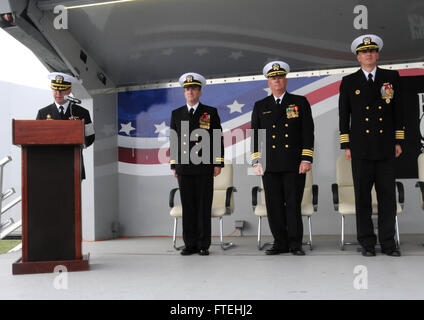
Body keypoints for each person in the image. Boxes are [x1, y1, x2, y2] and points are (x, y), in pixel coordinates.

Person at [338, 34, 404, 257]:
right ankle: (367, 243)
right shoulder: (349, 82)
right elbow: (343, 115)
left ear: (377, 55)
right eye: (364, 52)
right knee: (363, 198)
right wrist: (346, 144)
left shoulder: (391, 77)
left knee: (387, 198)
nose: (369, 54)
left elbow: (398, 111)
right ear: (358, 57)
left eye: (373, 51)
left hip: (386, 146)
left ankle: (388, 243)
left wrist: (398, 140)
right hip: (361, 148)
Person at [251, 61, 314, 256]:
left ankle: (295, 244)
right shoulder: (261, 105)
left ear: (285, 80)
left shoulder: (299, 102)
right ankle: (280, 242)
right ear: (268, 82)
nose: (276, 80)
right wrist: (256, 161)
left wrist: (306, 158)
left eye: (280, 77)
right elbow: (256, 135)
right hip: (270, 164)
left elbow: (308, 132)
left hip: (294, 163)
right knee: (274, 204)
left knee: (293, 203)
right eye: (273, 78)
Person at [169, 72, 224, 256]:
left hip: (204, 167)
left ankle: (203, 244)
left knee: (203, 206)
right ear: (184, 93)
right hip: (184, 167)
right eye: (187, 89)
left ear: (200, 92)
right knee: (188, 206)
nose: (190, 92)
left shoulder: (210, 112)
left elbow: (217, 139)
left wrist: (217, 163)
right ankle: (190, 244)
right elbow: (174, 140)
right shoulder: (176, 113)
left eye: (193, 88)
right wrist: (173, 165)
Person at [36, 72, 95, 179]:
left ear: (69, 90)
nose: (58, 93)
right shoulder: (43, 113)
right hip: (50, 166)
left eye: (62, 90)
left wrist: (79, 145)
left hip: (74, 165)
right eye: (55, 90)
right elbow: (36, 138)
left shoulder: (82, 112)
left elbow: (91, 136)